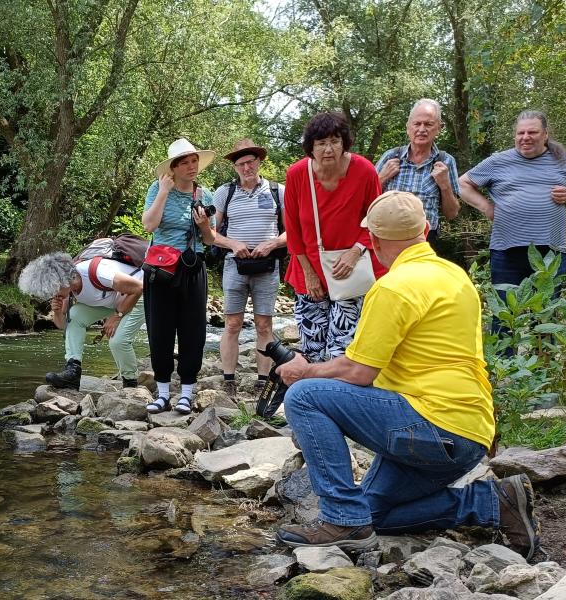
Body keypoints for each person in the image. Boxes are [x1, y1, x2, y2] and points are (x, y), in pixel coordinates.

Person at [274, 191, 540, 561]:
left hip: (429, 426)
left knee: (305, 395)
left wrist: (305, 371)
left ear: (374, 241)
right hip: (468, 435)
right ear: (426, 229)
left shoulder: (393, 287)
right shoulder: (454, 275)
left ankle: (339, 519)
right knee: (373, 514)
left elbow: (358, 372)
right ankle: (491, 503)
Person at [284, 112, 386, 363]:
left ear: (345, 143)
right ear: (311, 147)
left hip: (350, 269)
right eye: (321, 143)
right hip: (309, 270)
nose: (328, 149)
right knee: (312, 347)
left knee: (343, 348)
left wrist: (356, 251)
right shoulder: (297, 174)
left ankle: (337, 397)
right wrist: (309, 273)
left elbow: (376, 219)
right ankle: (312, 398)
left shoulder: (364, 171)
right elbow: (293, 228)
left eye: (335, 141)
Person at [459, 110, 566, 304]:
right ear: (515, 135)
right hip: (506, 251)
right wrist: (487, 207)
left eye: (532, 132)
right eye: (521, 133)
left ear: (545, 135)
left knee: (547, 316)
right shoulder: (498, 161)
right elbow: (462, 183)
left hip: (551, 252)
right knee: (505, 315)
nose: (525, 137)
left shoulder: (564, 160)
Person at [141, 138, 216, 415]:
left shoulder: (205, 195)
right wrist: (163, 191)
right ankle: (162, 394)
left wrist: (205, 225)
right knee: (159, 329)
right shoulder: (157, 189)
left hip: (192, 267)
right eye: (184, 162)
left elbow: (210, 240)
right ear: (172, 168)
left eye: (194, 160)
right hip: (161, 269)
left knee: (192, 329)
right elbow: (149, 225)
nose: (191, 166)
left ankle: (186, 393)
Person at [211, 138, 286, 397]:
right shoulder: (224, 192)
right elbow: (209, 233)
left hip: (268, 264)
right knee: (232, 323)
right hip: (235, 264)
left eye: (250, 162)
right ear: (235, 167)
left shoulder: (278, 191)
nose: (246, 168)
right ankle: (228, 379)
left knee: (264, 324)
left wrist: (273, 243)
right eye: (241, 164)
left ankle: (263, 379)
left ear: (259, 161)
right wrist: (233, 243)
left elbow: (294, 231)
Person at [18, 252, 145, 390]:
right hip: (114, 300)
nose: (52, 294)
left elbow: (138, 288)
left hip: (140, 296)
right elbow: (64, 325)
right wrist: (57, 311)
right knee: (75, 315)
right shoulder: (68, 288)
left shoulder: (98, 272)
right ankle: (72, 372)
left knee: (117, 341)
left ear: (62, 281)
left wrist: (116, 316)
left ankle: (130, 383)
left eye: (53, 289)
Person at [375, 99, 461, 248]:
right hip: (388, 236)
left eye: (428, 124)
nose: (422, 129)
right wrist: (381, 178)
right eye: (417, 124)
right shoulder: (390, 156)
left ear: (439, 128)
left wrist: (445, 186)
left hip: (426, 239)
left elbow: (451, 214)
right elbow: (364, 200)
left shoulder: (445, 161)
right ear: (408, 128)